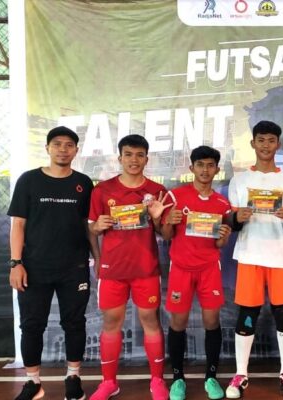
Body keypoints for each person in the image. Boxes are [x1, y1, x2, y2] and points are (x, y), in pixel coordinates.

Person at [9, 126, 94, 400]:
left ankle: (73, 377)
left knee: (75, 323)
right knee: (32, 325)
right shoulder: (29, 180)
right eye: (57, 144)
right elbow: (18, 225)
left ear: (76, 151)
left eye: (69, 145)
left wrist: (100, 260)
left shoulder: (83, 182)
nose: (63, 149)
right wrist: (15, 263)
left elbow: (88, 225)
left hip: (74, 267)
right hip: (34, 267)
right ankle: (33, 382)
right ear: (47, 148)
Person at [88, 134, 171, 400]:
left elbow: (165, 233)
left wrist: (156, 219)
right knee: (111, 323)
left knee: (150, 321)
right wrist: (96, 228)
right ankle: (109, 383)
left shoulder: (157, 190)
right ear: (119, 157)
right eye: (128, 154)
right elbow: (91, 228)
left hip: (145, 269)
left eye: (139, 155)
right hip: (113, 270)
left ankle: (157, 381)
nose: (134, 160)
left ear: (147, 159)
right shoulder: (102, 190)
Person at [225, 120, 283, 399]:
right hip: (249, 254)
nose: (266, 145)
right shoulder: (239, 181)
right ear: (253, 143)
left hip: (280, 254)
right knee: (247, 314)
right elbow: (231, 223)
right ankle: (240, 374)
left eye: (271, 140)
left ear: (278, 144)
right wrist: (237, 218)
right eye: (261, 140)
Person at [161, 146, 232, 400]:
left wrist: (224, 237)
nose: (205, 170)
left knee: (211, 321)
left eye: (210, 165)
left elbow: (219, 243)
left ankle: (211, 377)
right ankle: (177, 379)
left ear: (217, 169)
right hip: (181, 268)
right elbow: (166, 236)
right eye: (200, 165)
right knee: (178, 323)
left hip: (209, 268)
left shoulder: (222, 203)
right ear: (191, 168)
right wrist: (168, 221)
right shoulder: (175, 196)